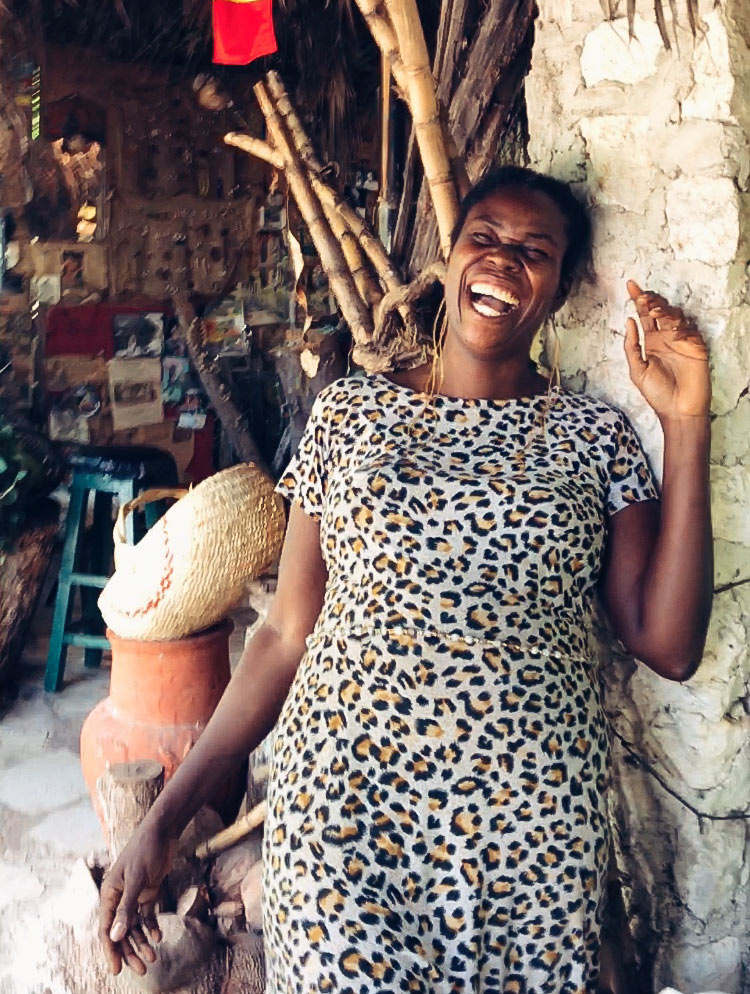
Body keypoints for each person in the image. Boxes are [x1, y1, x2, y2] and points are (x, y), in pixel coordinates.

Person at [98, 166, 712, 993]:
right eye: (484, 238)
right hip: (346, 821)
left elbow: (669, 646)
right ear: (450, 260)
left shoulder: (594, 436)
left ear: (561, 290)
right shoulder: (350, 415)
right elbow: (283, 637)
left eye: (535, 251)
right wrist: (163, 823)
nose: (503, 259)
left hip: (531, 834)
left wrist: (685, 421)